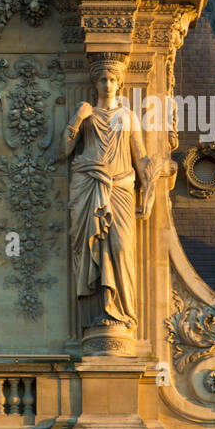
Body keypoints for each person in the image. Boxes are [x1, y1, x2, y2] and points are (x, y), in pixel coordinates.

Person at [61, 56, 157, 331]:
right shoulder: (87, 114)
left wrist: (149, 188)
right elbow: (63, 151)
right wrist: (77, 119)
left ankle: (122, 313)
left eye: (112, 79)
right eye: (103, 79)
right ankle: (102, 312)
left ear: (119, 83)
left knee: (122, 247)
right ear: (95, 83)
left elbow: (140, 156)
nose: (107, 84)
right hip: (89, 184)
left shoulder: (127, 116)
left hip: (122, 187)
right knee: (93, 247)